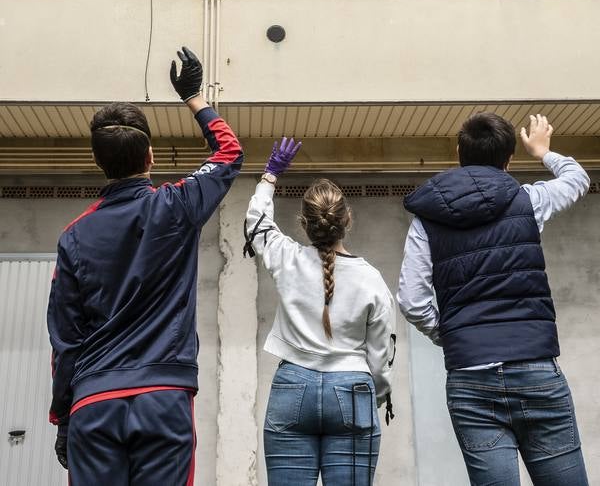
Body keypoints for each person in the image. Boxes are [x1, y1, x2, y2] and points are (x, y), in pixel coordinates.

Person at [47, 47, 243, 484]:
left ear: (98, 163)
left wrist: (62, 415)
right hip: (163, 398)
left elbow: (64, 337)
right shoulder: (176, 206)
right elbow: (229, 154)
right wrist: (194, 97)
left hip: (94, 401)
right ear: (150, 156)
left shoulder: (74, 235)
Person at [398, 112, 590, 485]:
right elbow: (577, 179)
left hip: (470, 377)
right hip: (535, 368)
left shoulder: (426, 218)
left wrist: (451, 334)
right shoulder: (529, 200)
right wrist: (544, 152)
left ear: (458, 152)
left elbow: (411, 299)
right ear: (509, 159)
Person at [244, 137, 396, 486]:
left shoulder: (287, 258)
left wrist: (270, 176)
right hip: (354, 389)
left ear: (304, 223)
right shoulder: (371, 278)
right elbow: (381, 355)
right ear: (347, 220)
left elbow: (256, 226)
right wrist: (377, 396)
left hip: (292, 386)